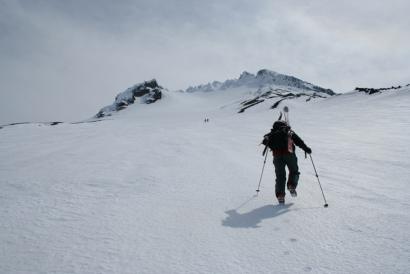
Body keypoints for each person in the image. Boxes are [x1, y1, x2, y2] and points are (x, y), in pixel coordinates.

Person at [262, 120, 312, 204]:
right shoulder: (288, 132)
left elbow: (265, 142)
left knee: (280, 176)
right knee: (294, 171)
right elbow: (298, 141)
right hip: (289, 154)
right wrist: (306, 149)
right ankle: (291, 185)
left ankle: (280, 196)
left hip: (277, 156)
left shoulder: (271, 134)